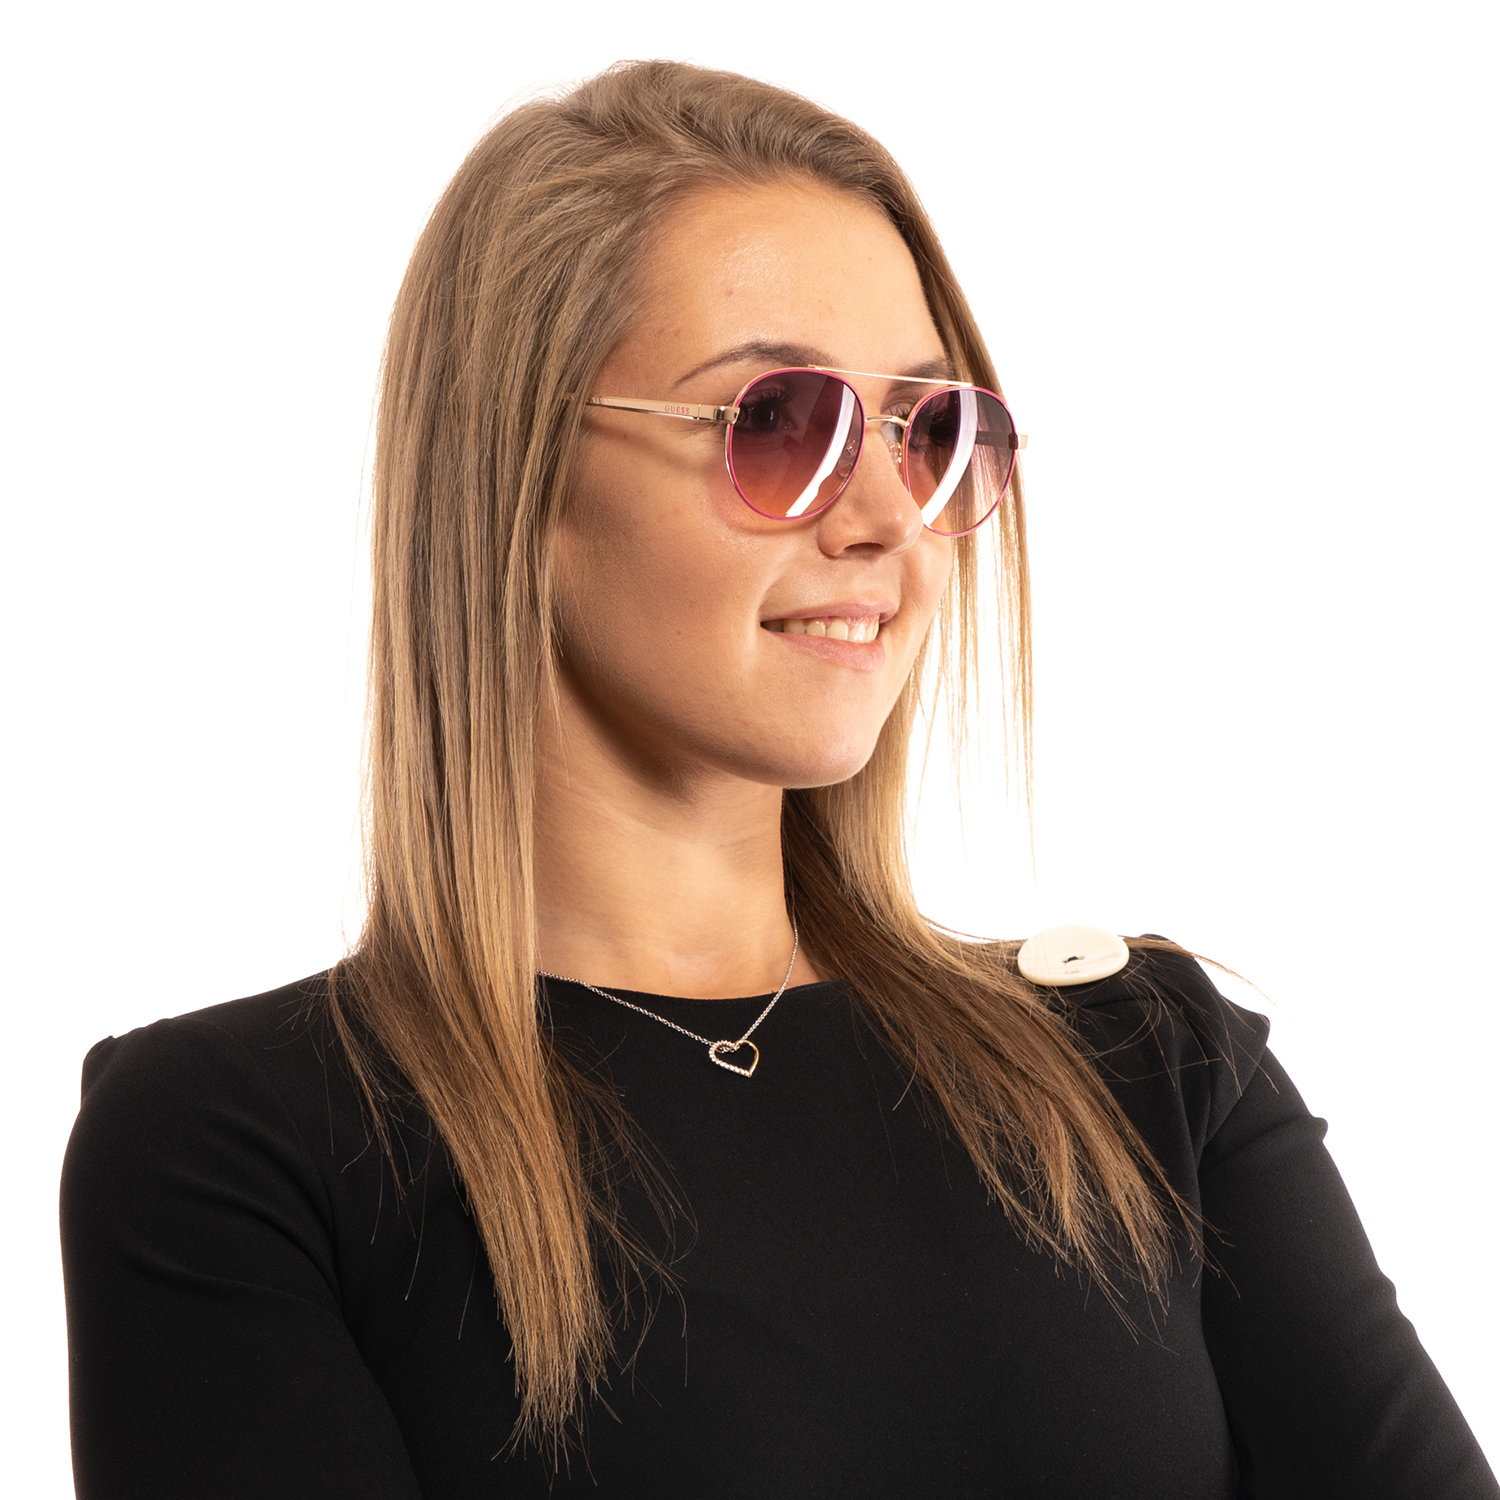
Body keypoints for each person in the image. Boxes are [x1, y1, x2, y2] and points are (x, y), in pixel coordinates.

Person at [59, 60, 1497, 1500]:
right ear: (519, 472)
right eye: (779, 421)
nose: (887, 520)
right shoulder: (252, 1147)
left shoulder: (1146, 1069)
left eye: (927, 433)